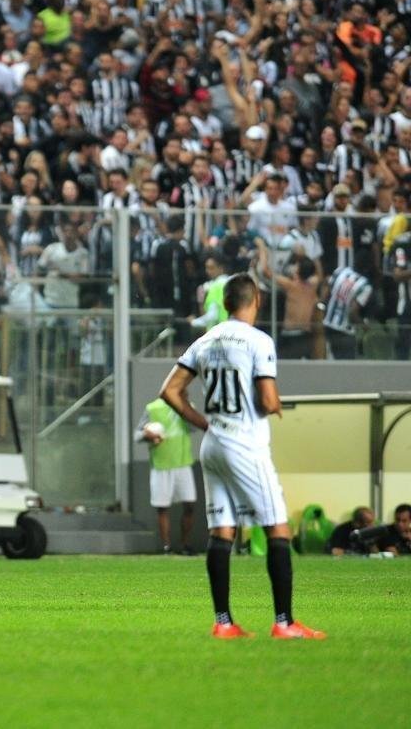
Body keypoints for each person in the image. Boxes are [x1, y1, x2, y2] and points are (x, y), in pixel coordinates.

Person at [160, 273, 326, 640]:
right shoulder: (258, 340)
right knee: (277, 526)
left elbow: (169, 390)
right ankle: (284, 623)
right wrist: (275, 405)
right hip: (245, 445)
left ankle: (224, 622)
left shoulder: (206, 339)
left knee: (222, 530)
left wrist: (203, 422)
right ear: (257, 301)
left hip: (214, 444)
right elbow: (267, 399)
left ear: (225, 303)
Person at [135, 398, 197, 555]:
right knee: (162, 508)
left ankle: (185, 545)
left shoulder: (186, 405)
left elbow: (194, 427)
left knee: (189, 505)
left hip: (183, 463)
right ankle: (166, 547)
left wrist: (187, 412)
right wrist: (147, 435)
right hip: (161, 465)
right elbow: (137, 435)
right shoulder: (152, 408)